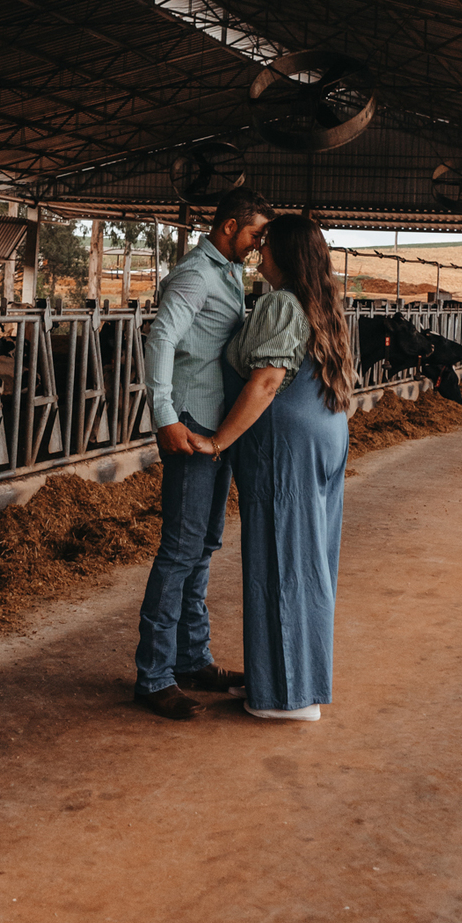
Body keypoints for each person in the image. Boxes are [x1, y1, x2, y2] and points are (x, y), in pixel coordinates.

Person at [195, 213, 352, 723]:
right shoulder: (323, 301)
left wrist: (218, 441)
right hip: (325, 429)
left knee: (281, 558)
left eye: (265, 245)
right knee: (310, 560)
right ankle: (295, 682)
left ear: (284, 253)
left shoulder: (282, 303)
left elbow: (265, 382)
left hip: (287, 444)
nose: (258, 252)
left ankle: (289, 697)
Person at [133, 187, 275, 721]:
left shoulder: (228, 272)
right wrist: (164, 414)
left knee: (204, 545)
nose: (258, 244)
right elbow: (162, 339)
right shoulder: (196, 274)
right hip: (191, 424)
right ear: (229, 226)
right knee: (180, 548)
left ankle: (192, 659)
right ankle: (154, 676)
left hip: (218, 428)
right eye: (254, 234)